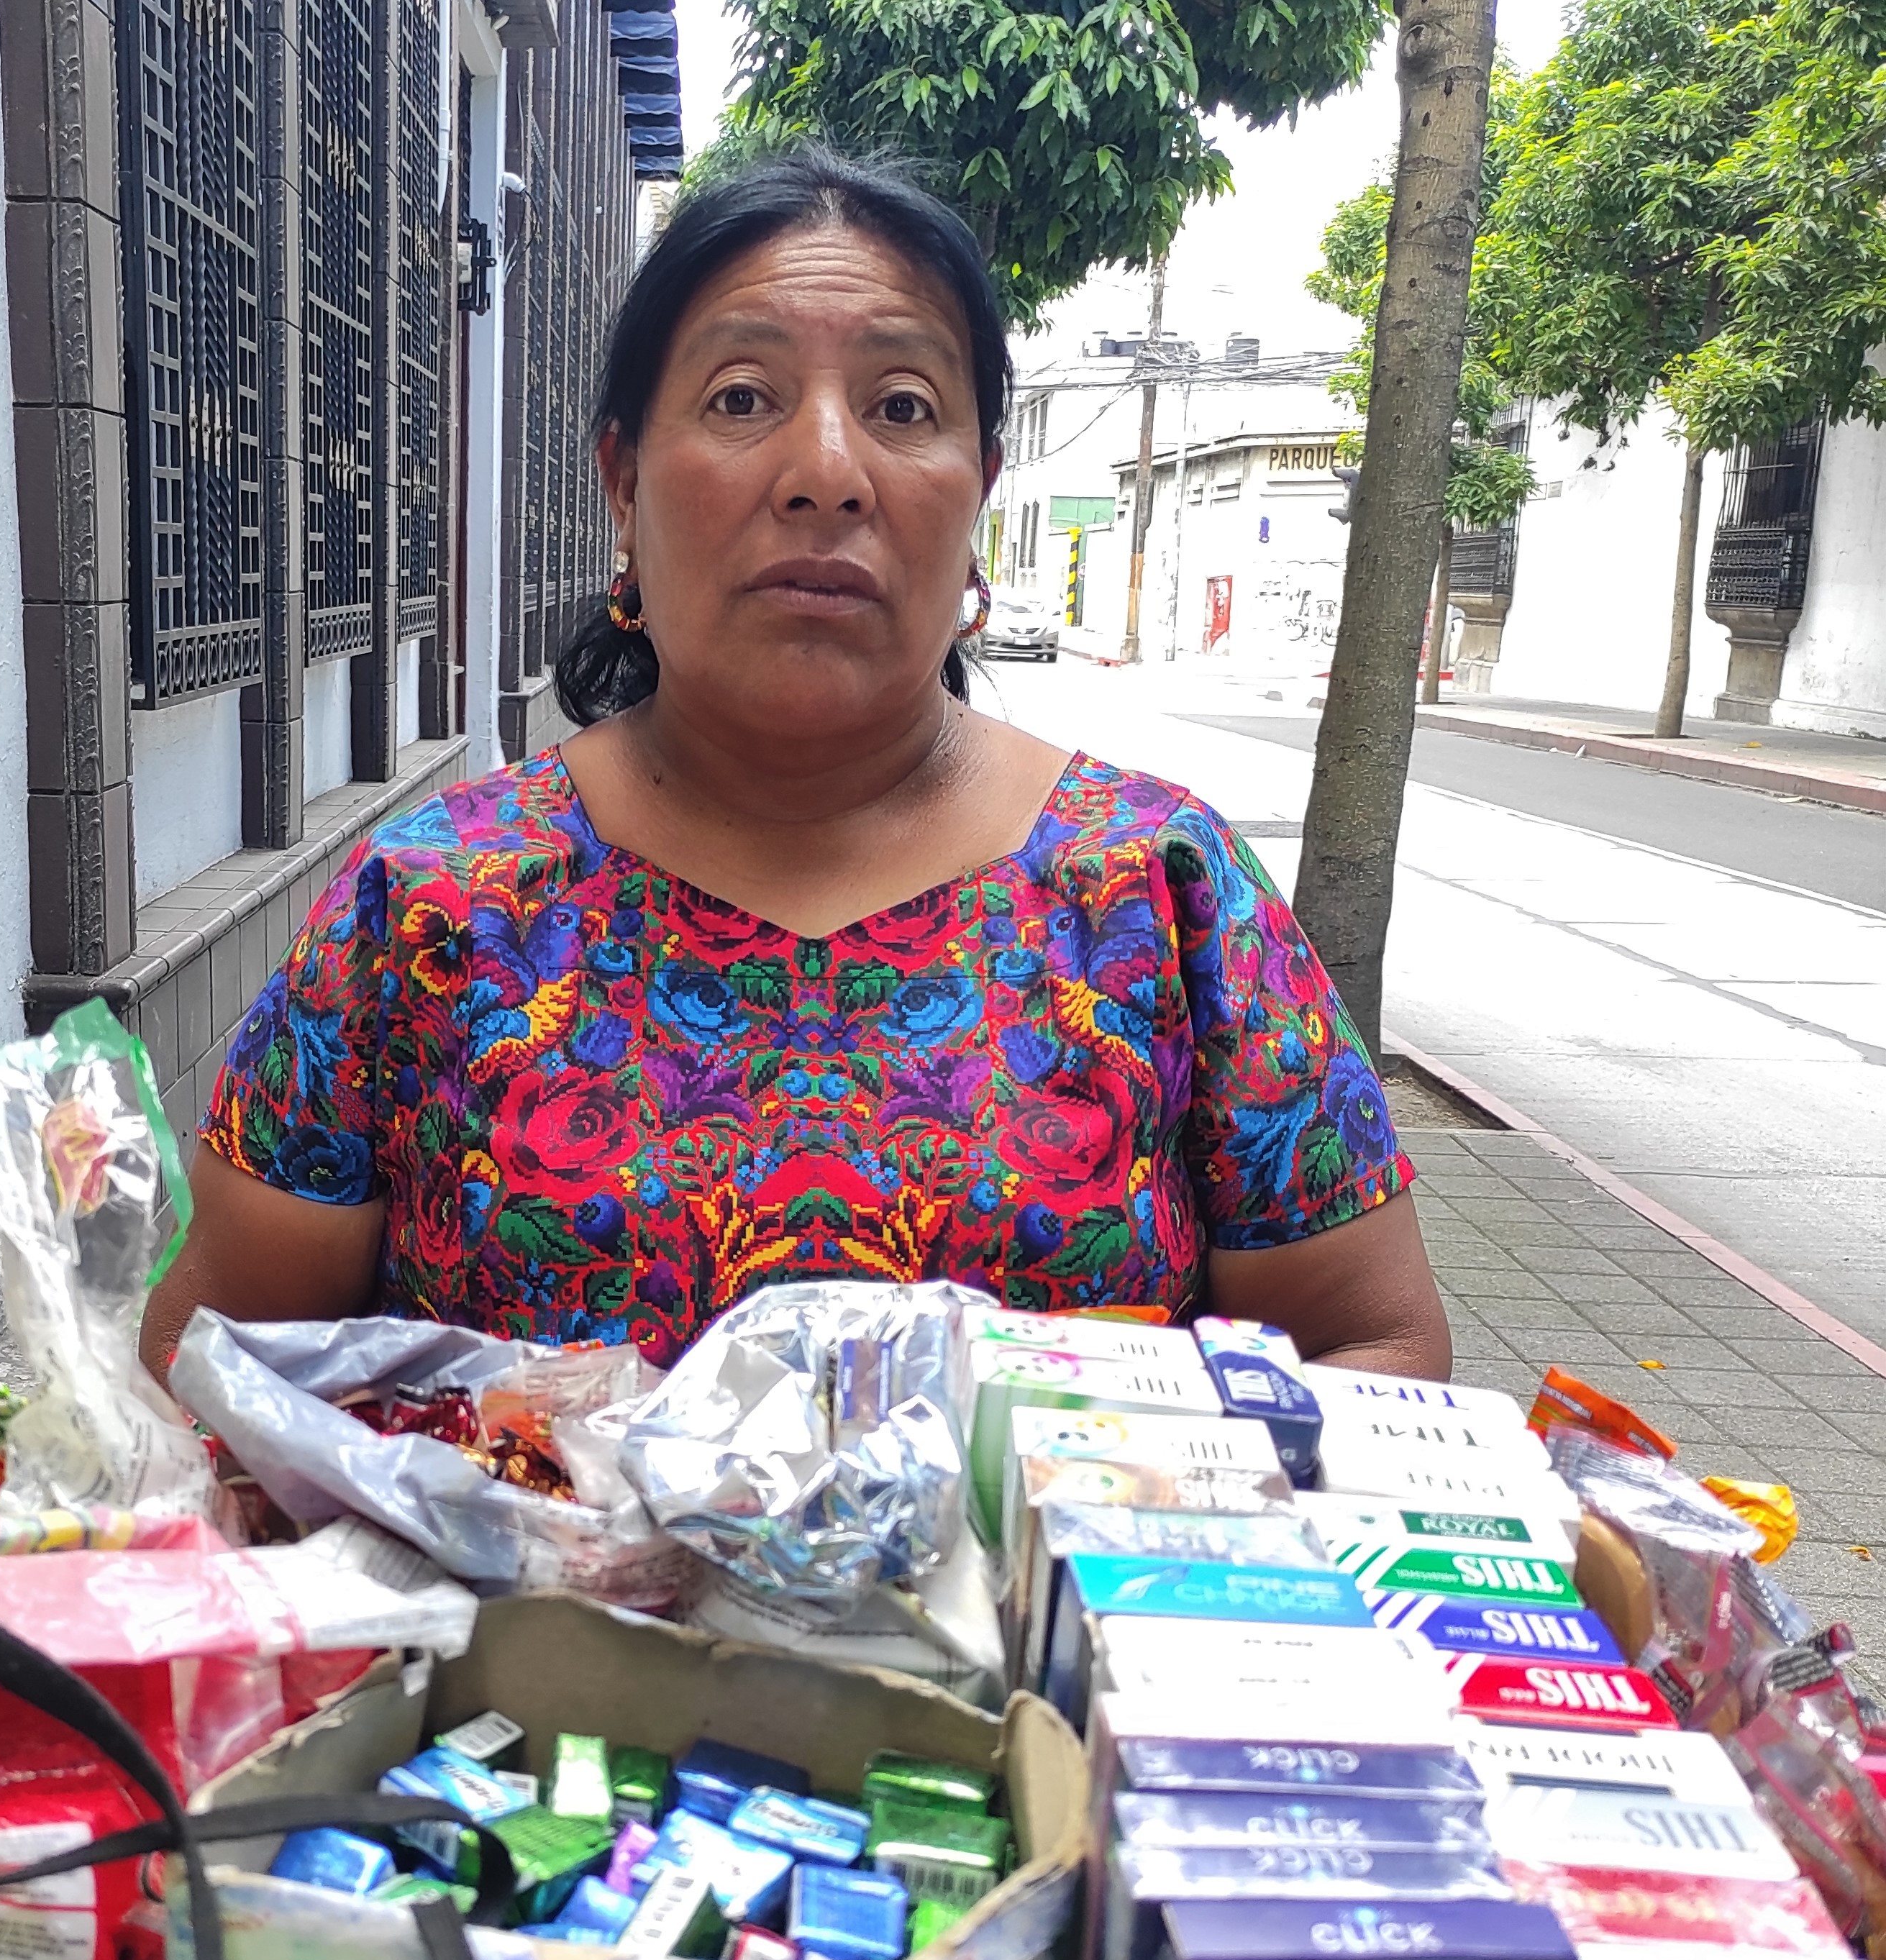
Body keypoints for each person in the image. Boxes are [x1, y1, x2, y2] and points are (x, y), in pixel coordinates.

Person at [143, 144, 1448, 1379]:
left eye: (900, 406)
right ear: (623, 481)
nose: (827, 472)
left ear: (981, 484)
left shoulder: (1162, 897)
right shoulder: (431, 904)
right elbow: (205, 1369)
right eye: (742, 398)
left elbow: (1373, 1350)